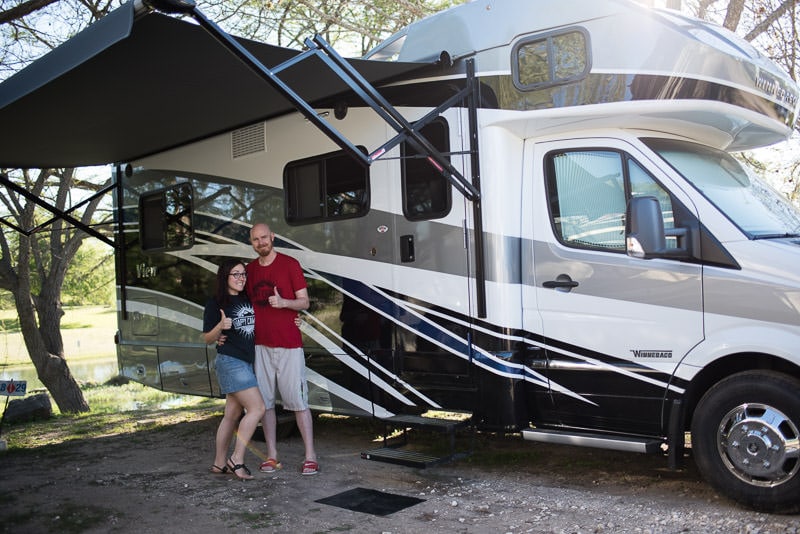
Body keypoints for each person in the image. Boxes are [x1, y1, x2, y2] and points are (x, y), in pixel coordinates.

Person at [246, 222, 318, 475]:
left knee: (298, 401)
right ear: (252, 242)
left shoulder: (289, 264)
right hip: (260, 346)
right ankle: (272, 455)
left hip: (288, 345)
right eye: (256, 239)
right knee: (265, 403)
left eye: (264, 237)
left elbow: (304, 301)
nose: (261, 243)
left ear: (272, 237)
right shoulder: (250, 270)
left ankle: (310, 456)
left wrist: (284, 303)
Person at [203, 259, 265, 480]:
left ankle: (219, 464)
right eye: (235, 274)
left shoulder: (247, 298)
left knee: (231, 415)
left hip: (245, 362)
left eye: (243, 274)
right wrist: (220, 326)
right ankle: (236, 459)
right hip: (230, 361)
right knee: (257, 409)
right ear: (225, 277)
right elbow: (207, 338)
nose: (241, 278)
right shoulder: (216, 303)